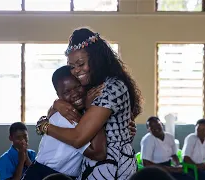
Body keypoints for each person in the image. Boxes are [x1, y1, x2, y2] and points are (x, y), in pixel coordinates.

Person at [36, 28, 142, 180]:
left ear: (96, 59)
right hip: (93, 166)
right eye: (72, 66)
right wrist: (56, 104)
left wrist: (44, 126)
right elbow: (70, 107)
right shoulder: (91, 85)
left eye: (81, 63)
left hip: (112, 167)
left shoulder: (109, 88)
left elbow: (79, 138)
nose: (76, 71)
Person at [22, 66, 107, 179]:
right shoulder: (66, 117)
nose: (74, 94)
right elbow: (98, 153)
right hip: (45, 175)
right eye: (67, 91)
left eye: (77, 86)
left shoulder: (74, 112)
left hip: (59, 175)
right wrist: (92, 107)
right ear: (59, 96)